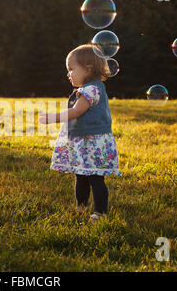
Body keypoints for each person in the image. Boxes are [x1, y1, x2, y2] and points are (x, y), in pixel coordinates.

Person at [39, 44, 122, 221]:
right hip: (84, 141)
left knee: (94, 178)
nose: (68, 74)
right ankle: (81, 207)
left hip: (91, 142)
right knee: (82, 175)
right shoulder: (91, 88)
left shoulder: (91, 90)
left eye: (71, 69)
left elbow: (77, 111)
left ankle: (100, 211)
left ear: (87, 69)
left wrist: (52, 118)